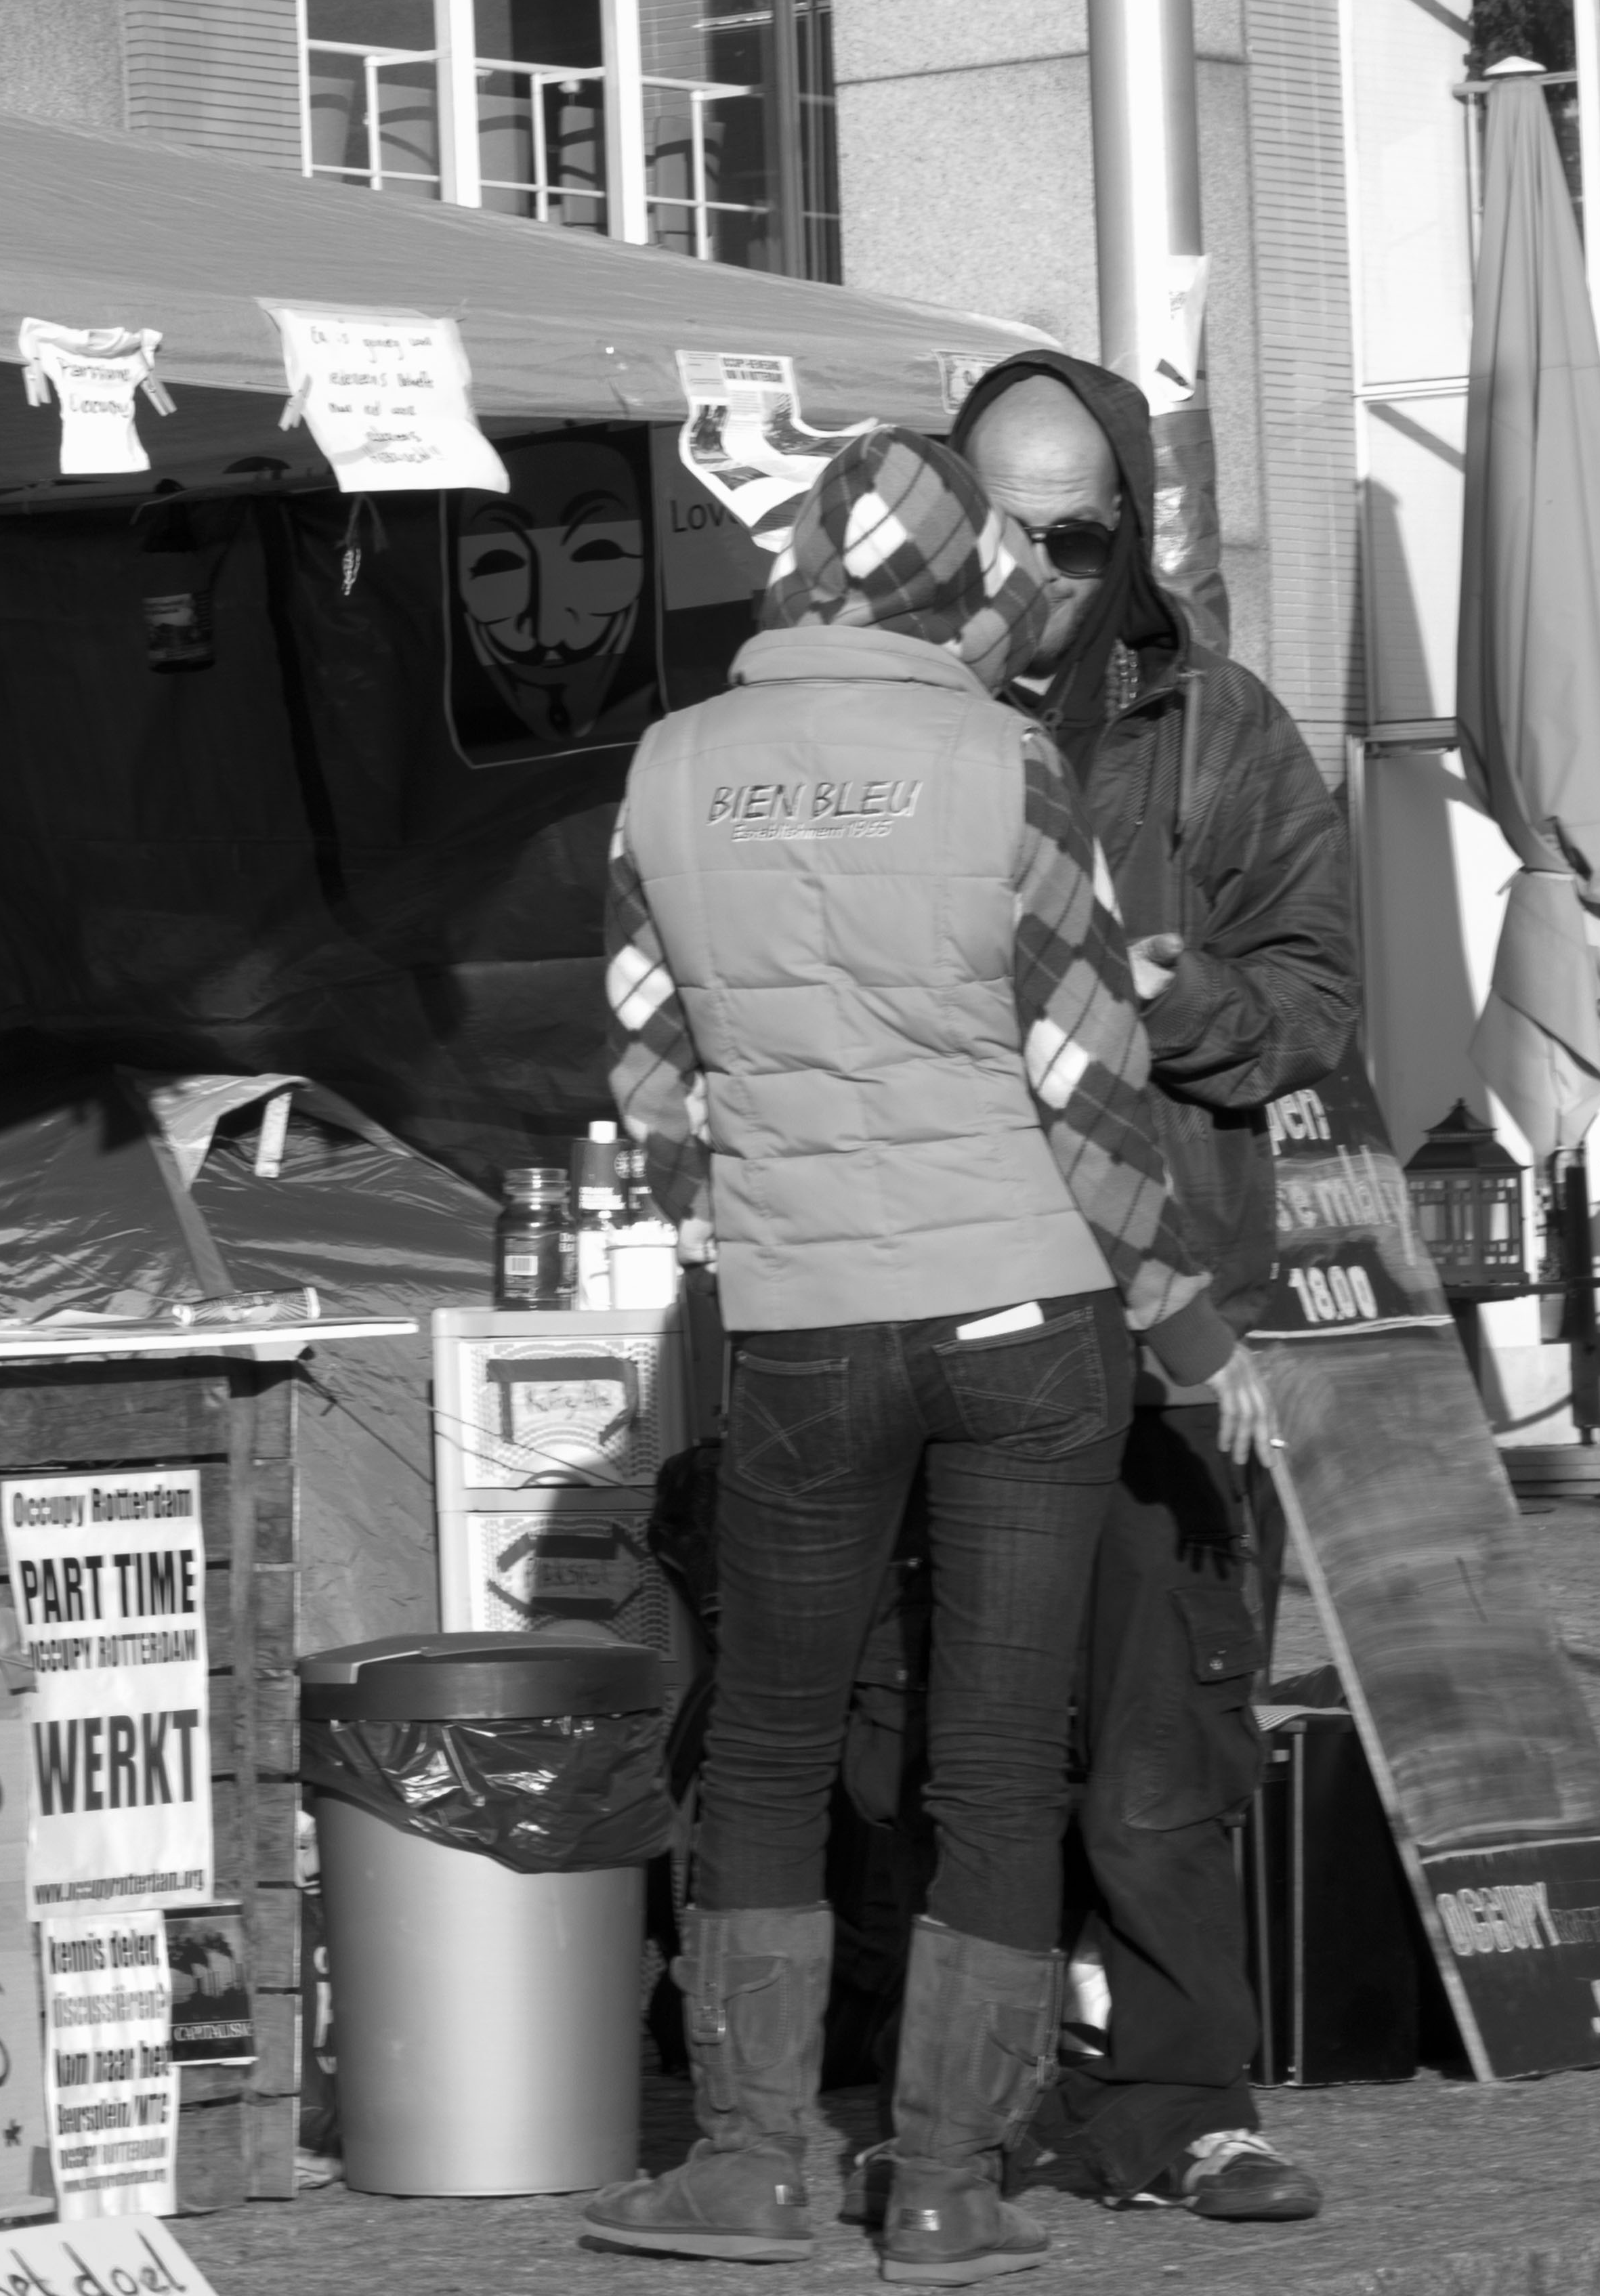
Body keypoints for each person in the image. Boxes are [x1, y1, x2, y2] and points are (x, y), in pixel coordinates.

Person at [578, 429, 1268, 2284]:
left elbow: (650, 1080)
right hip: (1030, 1321)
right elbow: (1088, 1075)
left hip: (804, 1325)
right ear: (961, 585)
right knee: (993, 1755)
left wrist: (753, 1232)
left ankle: (747, 2164)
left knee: (776, 1742)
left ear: (805, 569)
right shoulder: (1003, 760)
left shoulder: (668, 769)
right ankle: (951, 2180)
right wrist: (1188, 1328)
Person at [927, 353, 1357, 2224]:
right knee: (939, 1736)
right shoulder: (888, 718)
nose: (1035, 569)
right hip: (933, 1295)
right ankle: (954, 2104)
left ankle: (1183, 2108)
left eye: (1074, 536)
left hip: (1169, 1303)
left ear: (1129, 546)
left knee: (1168, 1737)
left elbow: (1324, 1012)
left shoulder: (1214, 729)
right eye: (1001, 527)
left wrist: (1172, 997)